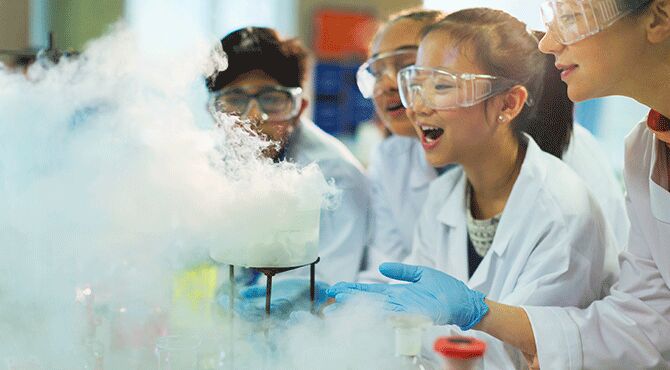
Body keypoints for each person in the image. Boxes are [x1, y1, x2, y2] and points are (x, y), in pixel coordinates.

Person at [330, 1, 670, 368]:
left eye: (571, 19)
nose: (547, 43)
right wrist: (333, 306)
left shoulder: (561, 203)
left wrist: (474, 316)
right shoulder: (644, 150)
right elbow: (641, 324)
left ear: (658, 17)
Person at [358, 8, 627, 285]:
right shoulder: (443, 190)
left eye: (439, 83)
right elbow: (398, 281)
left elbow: (550, 319)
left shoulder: (563, 195)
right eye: (377, 73)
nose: (412, 102)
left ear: (508, 104)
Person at [206, 27, 370, 287]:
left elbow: (329, 280)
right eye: (235, 100)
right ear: (213, 112)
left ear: (299, 108)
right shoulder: (213, 162)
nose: (254, 117)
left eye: (271, 99)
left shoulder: (334, 174)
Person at [356, 8, 448, 283]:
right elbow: (384, 271)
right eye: (377, 71)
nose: (384, 85)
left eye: (407, 66)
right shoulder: (390, 157)